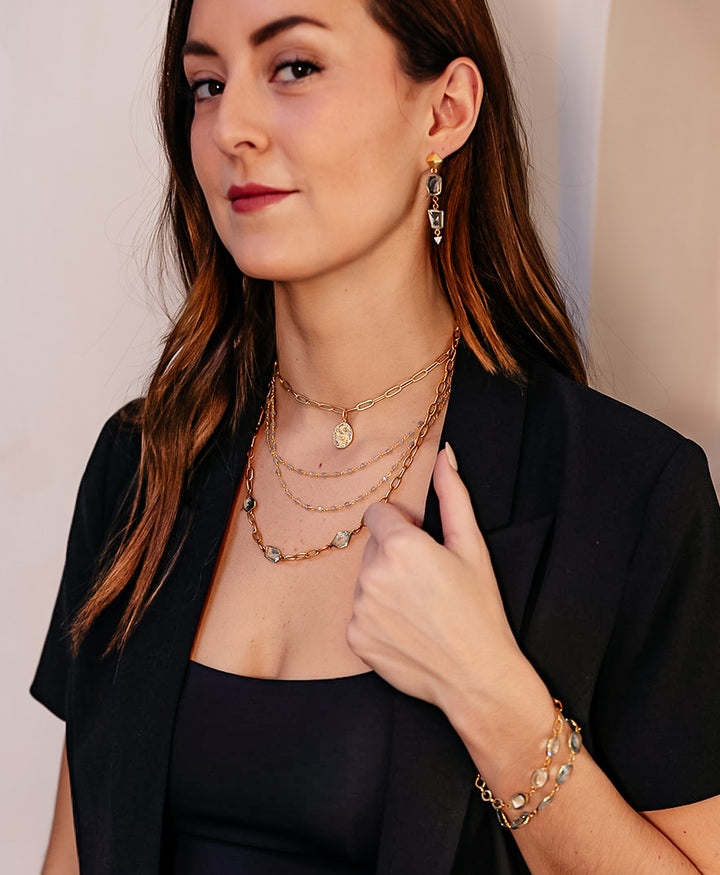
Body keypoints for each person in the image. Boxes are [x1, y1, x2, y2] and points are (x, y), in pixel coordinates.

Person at [32, 0, 720, 873]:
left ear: (446, 111)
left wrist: (497, 701)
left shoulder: (628, 494)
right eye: (206, 84)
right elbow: (75, 854)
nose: (229, 127)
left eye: (294, 67)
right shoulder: (142, 466)